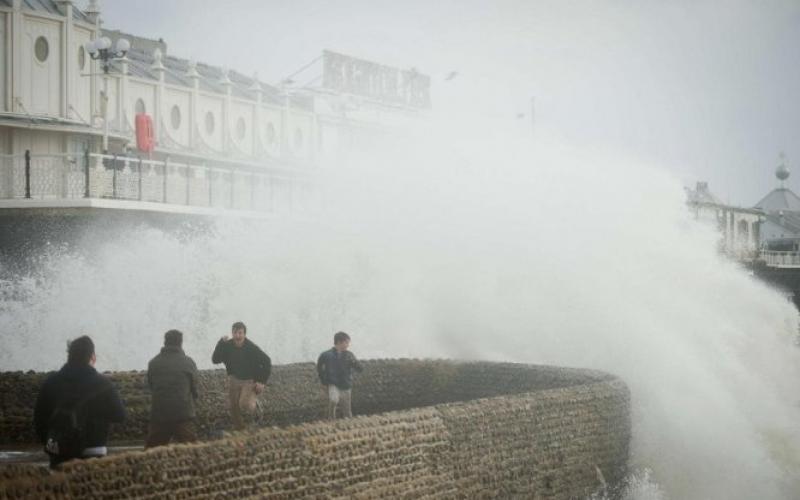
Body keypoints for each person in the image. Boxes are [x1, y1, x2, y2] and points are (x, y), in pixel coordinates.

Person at [33, 336, 126, 469]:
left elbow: (39, 419)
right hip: (93, 451)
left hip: (60, 450)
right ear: (92, 357)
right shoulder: (103, 383)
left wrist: (51, 443)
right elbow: (120, 415)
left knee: (60, 488)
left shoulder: (51, 382)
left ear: (69, 355)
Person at [211, 321, 271, 430]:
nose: (237, 336)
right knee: (233, 407)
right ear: (232, 333)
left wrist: (262, 382)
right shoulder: (227, 345)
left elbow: (267, 361)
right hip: (234, 379)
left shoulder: (251, 348)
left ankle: (256, 406)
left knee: (244, 404)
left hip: (249, 380)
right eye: (235, 333)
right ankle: (240, 430)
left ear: (244, 334)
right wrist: (220, 344)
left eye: (240, 333)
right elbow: (215, 360)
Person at [145, 329, 199, 448]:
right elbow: (194, 389)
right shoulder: (188, 362)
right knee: (192, 453)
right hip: (183, 416)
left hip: (159, 415)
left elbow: (151, 386)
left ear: (165, 342)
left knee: (151, 455)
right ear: (181, 343)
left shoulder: (153, 363)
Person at [317, 331, 363, 419]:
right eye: (346, 342)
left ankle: (348, 426)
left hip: (346, 384)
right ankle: (331, 418)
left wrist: (354, 363)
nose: (348, 345)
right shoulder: (326, 355)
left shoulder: (349, 355)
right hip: (333, 383)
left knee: (347, 411)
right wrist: (323, 381)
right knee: (333, 400)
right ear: (339, 342)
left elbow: (360, 369)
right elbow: (319, 368)